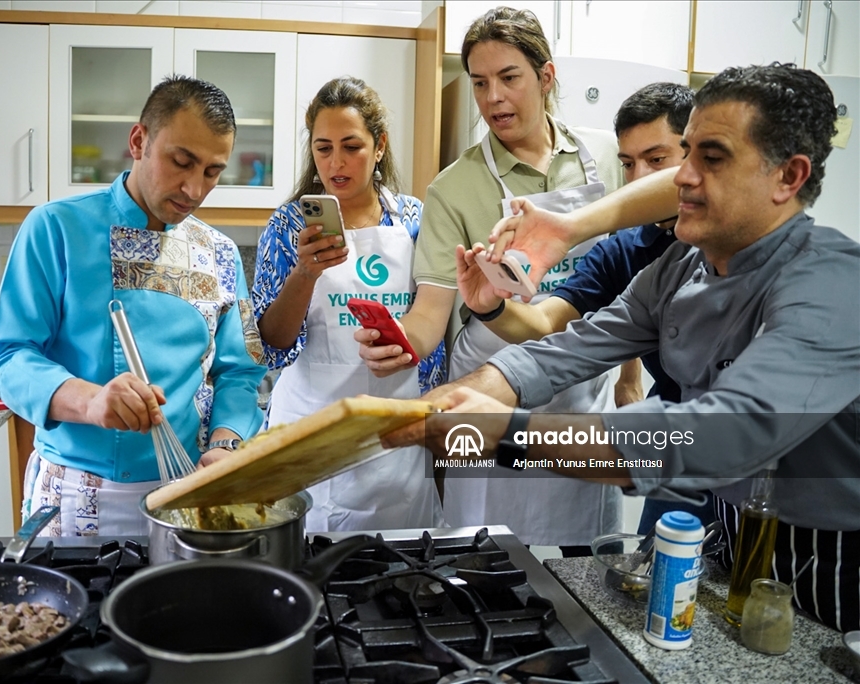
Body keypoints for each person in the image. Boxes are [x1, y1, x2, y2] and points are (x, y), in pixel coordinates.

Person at [395, 64, 860, 632]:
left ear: (788, 177)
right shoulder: (682, 267)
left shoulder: (832, 283)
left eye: (712, 158)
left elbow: (721, 433)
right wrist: (453, 400)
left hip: (833, 564)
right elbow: (569, 347)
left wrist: (507, 432)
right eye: (687, 155)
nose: (682, 178)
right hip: (733, 537)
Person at [358, 7, 626, 554]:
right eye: (479, 83)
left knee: (582, 568)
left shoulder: (605, 157)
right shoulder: (453, 189)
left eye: (509, 78)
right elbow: (431, 313)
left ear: (546, 77)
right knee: (485, 560)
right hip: (489, 390)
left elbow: (628, 283)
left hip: (582, 392)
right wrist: (400, 343)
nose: (493, 98)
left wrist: (630, 378)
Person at [0, 75, 267, 537]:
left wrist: (226, 444)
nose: (194, 189)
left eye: (212, 172)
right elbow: (8, 356)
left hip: (184, 488)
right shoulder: (55, 228)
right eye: (181, 162)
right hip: (74, 493)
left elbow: (242, 370)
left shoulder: (221, 253)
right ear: (139, 141)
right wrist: (91, 401)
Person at [455, 82, 715, 534]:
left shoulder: (738, 247)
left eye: (656, 160)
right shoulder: (628, 255)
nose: (638, 178)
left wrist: (570, 227)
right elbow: (555, 335)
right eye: (627, 164)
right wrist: (491, 309)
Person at [252, 77, 446, 532]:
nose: (336, 163)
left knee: (400, 561)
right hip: (309, 434)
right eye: (323, 148)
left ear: (379, 147)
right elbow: (271, 345)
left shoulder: (415, 220)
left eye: (352, 147)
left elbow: (434, 334)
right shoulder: (287, 226)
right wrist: (305, 273)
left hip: (396, 439)